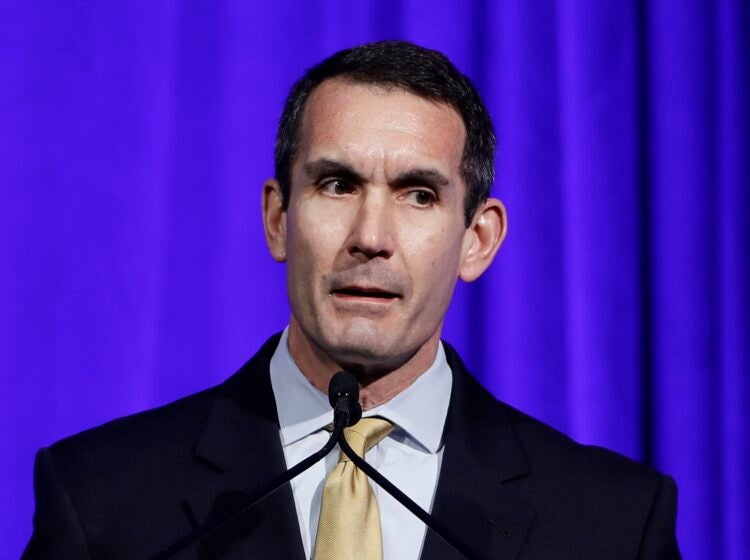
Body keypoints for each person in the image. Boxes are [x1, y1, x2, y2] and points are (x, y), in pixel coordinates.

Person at [23, 41, 680, 559]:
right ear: (279, 219)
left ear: (478, 239)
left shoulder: (612, 524)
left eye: (419, 194)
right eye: (337, 184)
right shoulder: (102, 499)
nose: (371, 238)